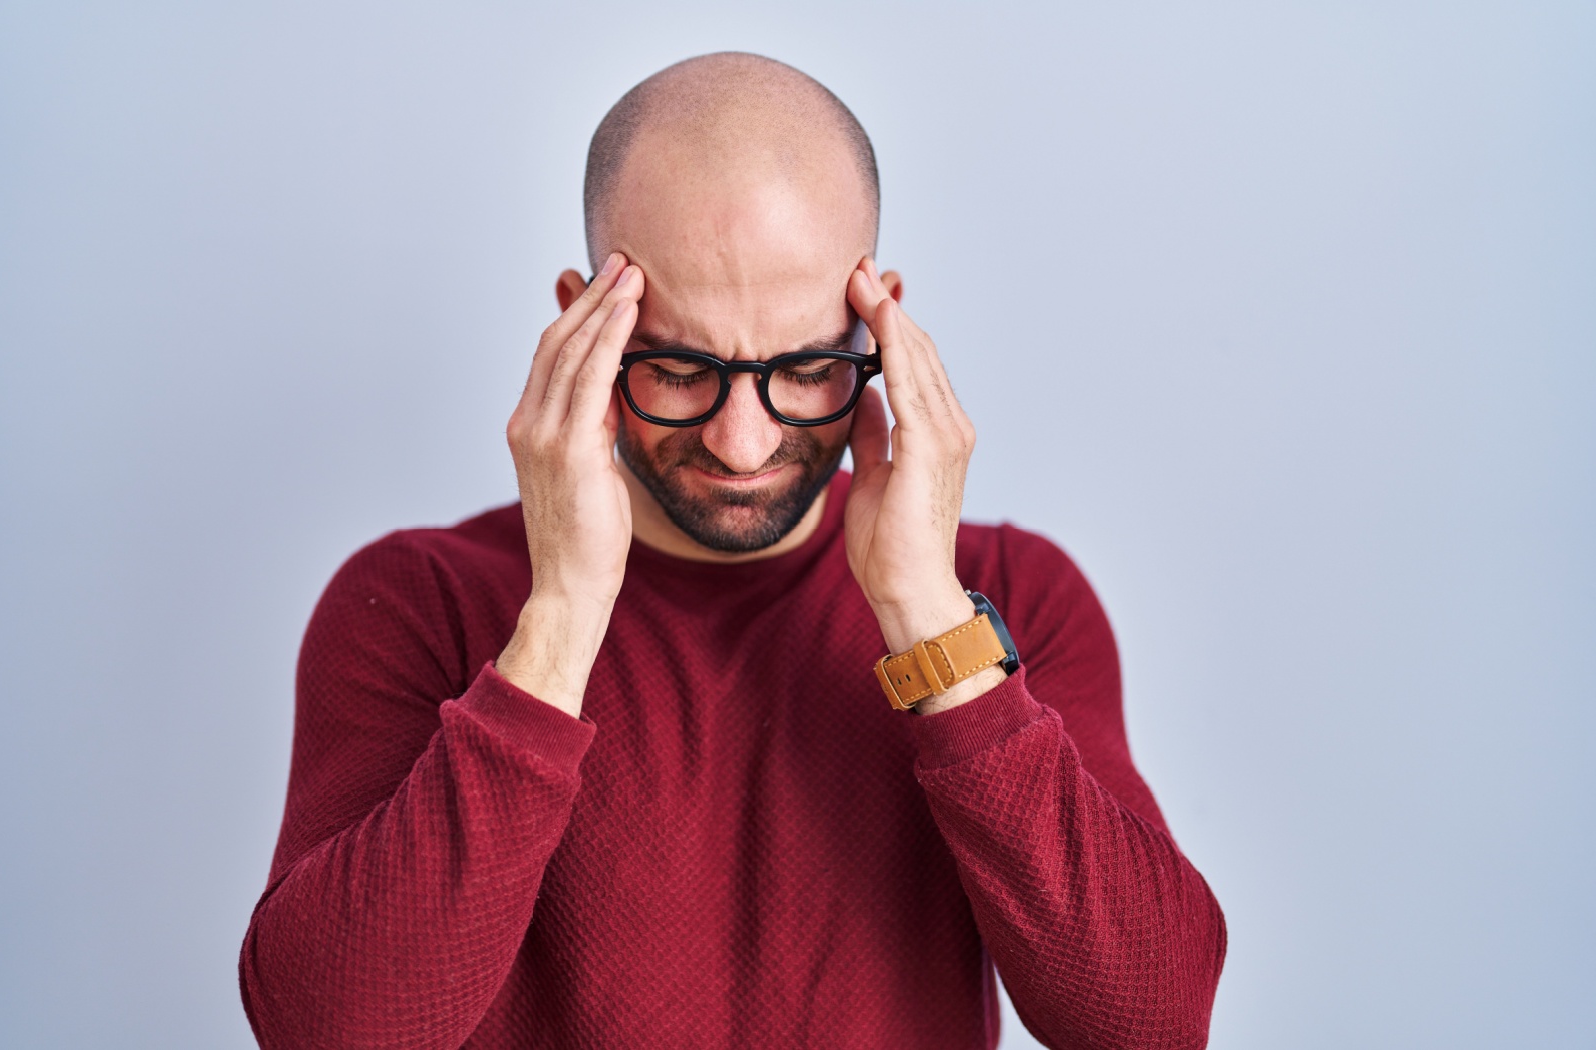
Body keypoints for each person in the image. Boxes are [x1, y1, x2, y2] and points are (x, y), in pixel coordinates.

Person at [239, 51, 1226, 1049]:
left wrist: (928, 618)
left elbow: (1146, 1021)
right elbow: (331, 1030)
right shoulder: (416, 602)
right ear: (580, 326)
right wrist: (563, 615)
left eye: (802, 368)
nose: (741, 443)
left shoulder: (1007, 597)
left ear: (876, 325)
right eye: (677, 367)